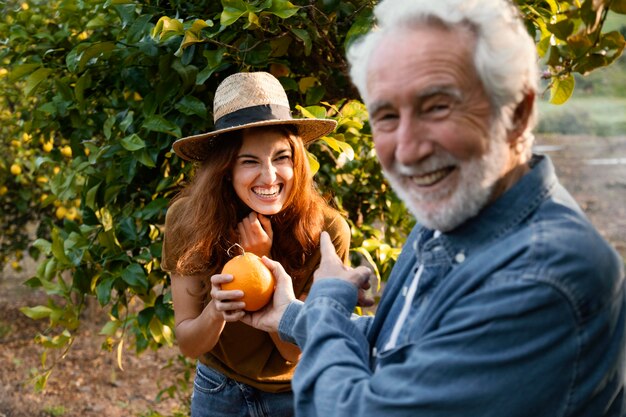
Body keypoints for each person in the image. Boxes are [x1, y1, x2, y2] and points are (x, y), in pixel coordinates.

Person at [232, 0, 626, 416]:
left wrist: (328, 299)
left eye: (437, 106)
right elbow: (404, 349)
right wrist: (294, 316)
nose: (407, 150)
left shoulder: (545, 276)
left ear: (518, 113)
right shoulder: (449, 219)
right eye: (386, 115)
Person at [161, 71, 351, 417]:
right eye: (250, 161)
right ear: (226, 169)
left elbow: (296, 352)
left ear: (297, 162)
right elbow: (189, 343)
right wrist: (216, 310)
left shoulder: (327, 231)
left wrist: (262, 265)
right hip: (219, 390)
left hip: (297, 393)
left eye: (281, 157)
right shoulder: (188, 221)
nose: (270, 176)